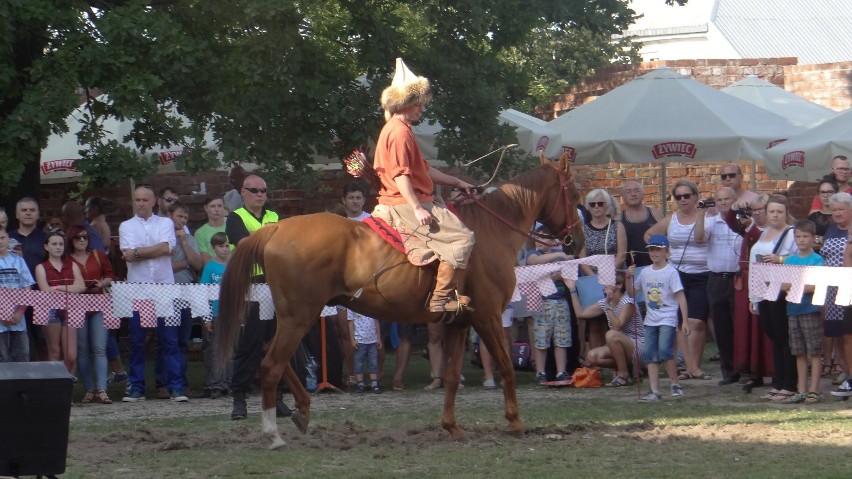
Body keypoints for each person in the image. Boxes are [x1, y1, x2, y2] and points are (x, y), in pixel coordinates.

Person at [372, 57, 476, 313]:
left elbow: (424, 169)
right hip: (404, 202)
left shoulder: (400, 129)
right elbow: (400, 175)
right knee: (463, 237)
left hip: (406, 199)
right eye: (417, 102)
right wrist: (417, 207)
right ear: (404, 102)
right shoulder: (398, 132)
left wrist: (457, 181)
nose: (421, 108)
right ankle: (439, 299)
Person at [226, 174, 291, 420]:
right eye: (254, 190)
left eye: (263, 190)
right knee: (249, 345)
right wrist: (272, 245)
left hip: (276, 285)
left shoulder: (274, 217)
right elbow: (245, 246)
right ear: (242, 192)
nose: (260, 194)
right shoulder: (235, 218)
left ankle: (279, 398)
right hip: (251, 286)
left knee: (279, 344)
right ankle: (239, 399)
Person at [119, 185, 184, 402]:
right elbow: (128, 255)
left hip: (164, 287)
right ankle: (137, 386)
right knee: (137, 340)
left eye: (145, 200)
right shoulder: (126, 226)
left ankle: (174, 386)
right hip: (138, 288)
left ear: (154, 201)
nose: (141, 204)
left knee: (169, 339)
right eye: (137, 200)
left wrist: (138, 252)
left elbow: (166, 248)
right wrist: (152, 251)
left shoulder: (165, 222)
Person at [644, 179, 711, 381]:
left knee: (696, 321)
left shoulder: (705, 217)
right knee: (680, 321)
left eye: (686, 196)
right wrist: (663, 250)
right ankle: (688, 367)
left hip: (702, 273)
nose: (682, 200)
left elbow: (702, 238)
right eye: (678, 196)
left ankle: (694, 365)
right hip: (677, 273)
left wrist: (703, 215)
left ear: (695, 197)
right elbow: (648, 235)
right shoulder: (670, 219)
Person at [627, 234, 689, 401]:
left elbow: (680, 296)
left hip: (668, 318)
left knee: (664, 351)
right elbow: (632, 292)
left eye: (658, 250)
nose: (654, 253)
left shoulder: (671, 272)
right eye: (651, 250)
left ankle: (674, 384)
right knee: (649, 354)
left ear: (666, 252)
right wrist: (628, 277)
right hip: (650, 320)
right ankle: (655, 391)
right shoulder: (645, 272)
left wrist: (685, 320)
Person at [748, 195, 797, 402]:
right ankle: (778, 382)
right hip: (763, 291)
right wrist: (753, 296)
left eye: (779, 212)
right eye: (772, 212)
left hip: (782, 291)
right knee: (774, 337)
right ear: (766, 213)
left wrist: (780, 259)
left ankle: (789, 384)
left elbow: (800, 258)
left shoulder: (792, 234)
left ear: (786, 213)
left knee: (784, 338)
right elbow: (753, 264)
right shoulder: (764, 234)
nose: (775, 215)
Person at [724, 195, 773, 392]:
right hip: (745, 281)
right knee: (746, 326)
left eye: (761, 209)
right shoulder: (747, 226)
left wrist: (750, 228)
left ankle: (770, 369)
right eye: (755, 210)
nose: (758, 213)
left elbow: (761, 242)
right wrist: (735, 208)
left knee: (765, 327)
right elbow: (729, 221)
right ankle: (751, 371)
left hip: (766, 280)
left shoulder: (774, 230)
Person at [567, 271, 645, 387]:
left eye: (608, 283)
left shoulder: (628, 301)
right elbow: (580, 314)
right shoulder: (605, 302)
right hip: (620, 344)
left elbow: (617, 326)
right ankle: (630, 368)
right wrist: (572, 290)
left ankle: (623, 375)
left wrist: (608, 306)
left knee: (611, 335)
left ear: (618, 285)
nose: (604, 285)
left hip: (639, 345)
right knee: (592, 356)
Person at [67, 224, 116, 404]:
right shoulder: (66, 259)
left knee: (99, 347)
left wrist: (102, 284)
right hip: (77, 304)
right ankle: (88, 388)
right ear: (71, 240)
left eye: (85, 237)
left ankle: (102, 389)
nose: (81, 240)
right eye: (77, 237)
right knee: (82, 349)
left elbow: (111, 275)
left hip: (98, 302)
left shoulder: (97, 254)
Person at [779, 220, 825, 404]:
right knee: (798, 351)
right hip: (793, 310)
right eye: (798, 236)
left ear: (813, 239)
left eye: (805, 236)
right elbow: (783, 285)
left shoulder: (817, 260)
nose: (801, 240)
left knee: (813, 351)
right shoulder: (790, 260)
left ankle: (814, 390)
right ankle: (802, 389)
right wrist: (799, 286)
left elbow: (815, 285)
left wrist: (797, 286)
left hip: (810, 309)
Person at [578, 188, 627, 356]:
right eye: (592, 204)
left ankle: (619, 358)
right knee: (595, 324)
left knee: (617, 320)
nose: (597, 207)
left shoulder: (617, 226)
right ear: (588, 208)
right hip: (592, 279)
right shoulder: (583, 229)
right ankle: (596, 360)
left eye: (600, 203)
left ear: (607, 205)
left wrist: (608, 274)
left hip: (615, 277)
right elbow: (581, 255)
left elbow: (621, 254)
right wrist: (593, 277)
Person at [164, 202, 203, 398]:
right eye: (179, 216)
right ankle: (172, 383)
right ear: (169, 215)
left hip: (186, 292)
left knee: (183, 340)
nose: (182, 221)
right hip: (166, 293)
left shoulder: (189, 238)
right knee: (169, 340)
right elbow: (162, 267)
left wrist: (185, 243)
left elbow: (197, 264)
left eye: (185, 218)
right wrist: (183, 263)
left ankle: (181, 381)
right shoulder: (162, 238)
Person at [705, 187, 743, 386]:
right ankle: (728, 371)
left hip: (738, 279)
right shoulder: (711, 222)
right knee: (722, 328)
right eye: (719, 200)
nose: (723, 203)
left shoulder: (744, 222)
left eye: (727, 199)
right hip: (717, 279)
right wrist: (701, 213)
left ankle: (745, 369)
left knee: (740, 326)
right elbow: (699, 237)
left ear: (734, 200)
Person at [35, 231, 87, 376]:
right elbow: (45, 291)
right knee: (54, 351)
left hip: (71, 310)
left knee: (71, 355)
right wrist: (69, 290)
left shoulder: (72, 265)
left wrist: (57, 287)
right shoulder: (41, 267)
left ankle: (67, 383)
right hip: (50, 310)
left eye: (61, 244)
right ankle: (55, 388)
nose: (58, 247)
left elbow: (81, 287)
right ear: (46, 247)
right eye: (54, 244)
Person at [526, 232, 573, 384]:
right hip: (542, 302)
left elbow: (566, 274)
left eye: (544, 237)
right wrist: (558, 258)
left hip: (560, 300)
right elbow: (534, 262)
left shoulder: (559, 255)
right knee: (541, 339)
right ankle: (540, 372)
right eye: (537, 238)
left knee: (562, 337)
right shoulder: (533, 253)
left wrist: (554, 270)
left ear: (553, 241)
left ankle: (561, 371)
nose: (539, 241)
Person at [817, 192, 851, 387]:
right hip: (831, 289)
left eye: (841, 209)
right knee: (837, 331)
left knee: (849, 331)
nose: (837, 213)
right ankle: (844, 369)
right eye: (834, 209)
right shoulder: (830, 229)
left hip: (849, 286)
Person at [199, 232, 232, 399]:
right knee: (216, 350)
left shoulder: (234, 266)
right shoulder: (210, 267)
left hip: (232, 313)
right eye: (221, 246)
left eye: (227, 245)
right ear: (213, 248)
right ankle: (216, 384)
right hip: (216, 312)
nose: (225, 249)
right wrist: (207, 317)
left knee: (232, 349)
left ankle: (231, 383)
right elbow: (203, 292)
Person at [0, 228, 35, 362]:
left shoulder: (18, 261)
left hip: (18, 317)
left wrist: (20, 312)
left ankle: (22, 383)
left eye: (2, 238)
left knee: (22, 354)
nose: (0, 241)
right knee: (2, 356)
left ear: (8, 239)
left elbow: (27, 287)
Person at [620, 181, 660, 268]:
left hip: (654, 267)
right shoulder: (618, 219)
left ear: (643, 194)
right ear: (623, 196)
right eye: (628, 191)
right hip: (629, 270)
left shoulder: (656, 214)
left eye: (637, 190)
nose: (633, 194)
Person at [349, 307, 383, 394]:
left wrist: (378, 338)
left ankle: (374, 383)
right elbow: (351, 323)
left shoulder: (371, 308)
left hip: (372, 340)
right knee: (359, 362)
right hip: (360, 340)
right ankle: (360, 383)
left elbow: (376, 322)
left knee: (373, 362)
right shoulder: (352, 309)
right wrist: (353, 340)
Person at [194, 197, 228, 264]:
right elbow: (206, 261)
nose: (216, 209)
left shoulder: (233, 227)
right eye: (212, 206)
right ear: (206, 208)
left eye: (220, 206)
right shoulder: (200, 233)